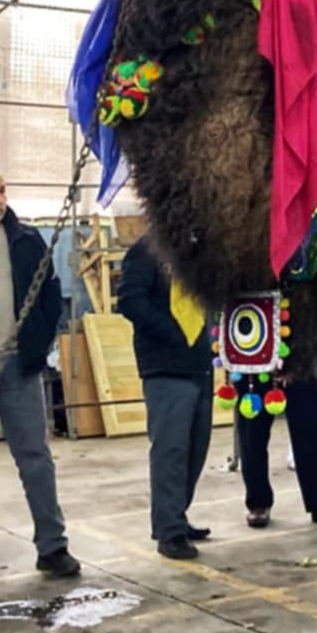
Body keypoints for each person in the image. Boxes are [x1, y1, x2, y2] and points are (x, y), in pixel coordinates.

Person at [0, 166, 80, 582]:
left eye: (2, 191)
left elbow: (50, 294)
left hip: (19, 365)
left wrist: (38, 340)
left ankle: (52, 546)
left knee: (35, 457)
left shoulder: (27, 240)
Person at [116, 235, 215, 560]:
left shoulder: (200, 253)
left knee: (196, 448)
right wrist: (175, 333)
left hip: (200, 362)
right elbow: (130, 302)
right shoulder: (145, 252)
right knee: (171, 450)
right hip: (165, 365)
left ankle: (175, 516)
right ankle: (169, 531)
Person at [237, 371, 317, 531]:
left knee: (311, 428)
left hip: (298, 359)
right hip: (254, 364)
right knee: (252, 436)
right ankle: (258, 503)